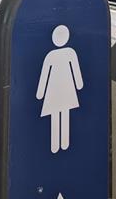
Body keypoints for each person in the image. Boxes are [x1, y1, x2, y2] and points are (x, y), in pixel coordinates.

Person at [36, 25, 83, 153]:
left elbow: (45, 75)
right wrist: (79, 85)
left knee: (57, 115)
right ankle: (63, 143)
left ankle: (56, 145)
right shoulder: (70, 53)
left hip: (53, 88)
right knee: (64, 112)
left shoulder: (51, 56)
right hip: (67, 87)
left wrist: (41, 93)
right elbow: (76, 72)